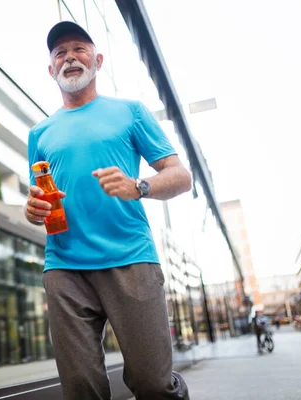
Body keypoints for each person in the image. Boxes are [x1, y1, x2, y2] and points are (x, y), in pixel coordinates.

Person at [24, 21, 192, 400]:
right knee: (81, 388)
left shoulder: (130, 112)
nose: (69, 57)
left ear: (97, 60)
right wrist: (32, 209)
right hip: (65, 266)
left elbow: (181, 177)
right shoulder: (40, 133)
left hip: (129, 257)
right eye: (60, 53)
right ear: (51, 70)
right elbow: (39, 196)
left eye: (79, 49)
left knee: (152, 383)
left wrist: (139, 186)